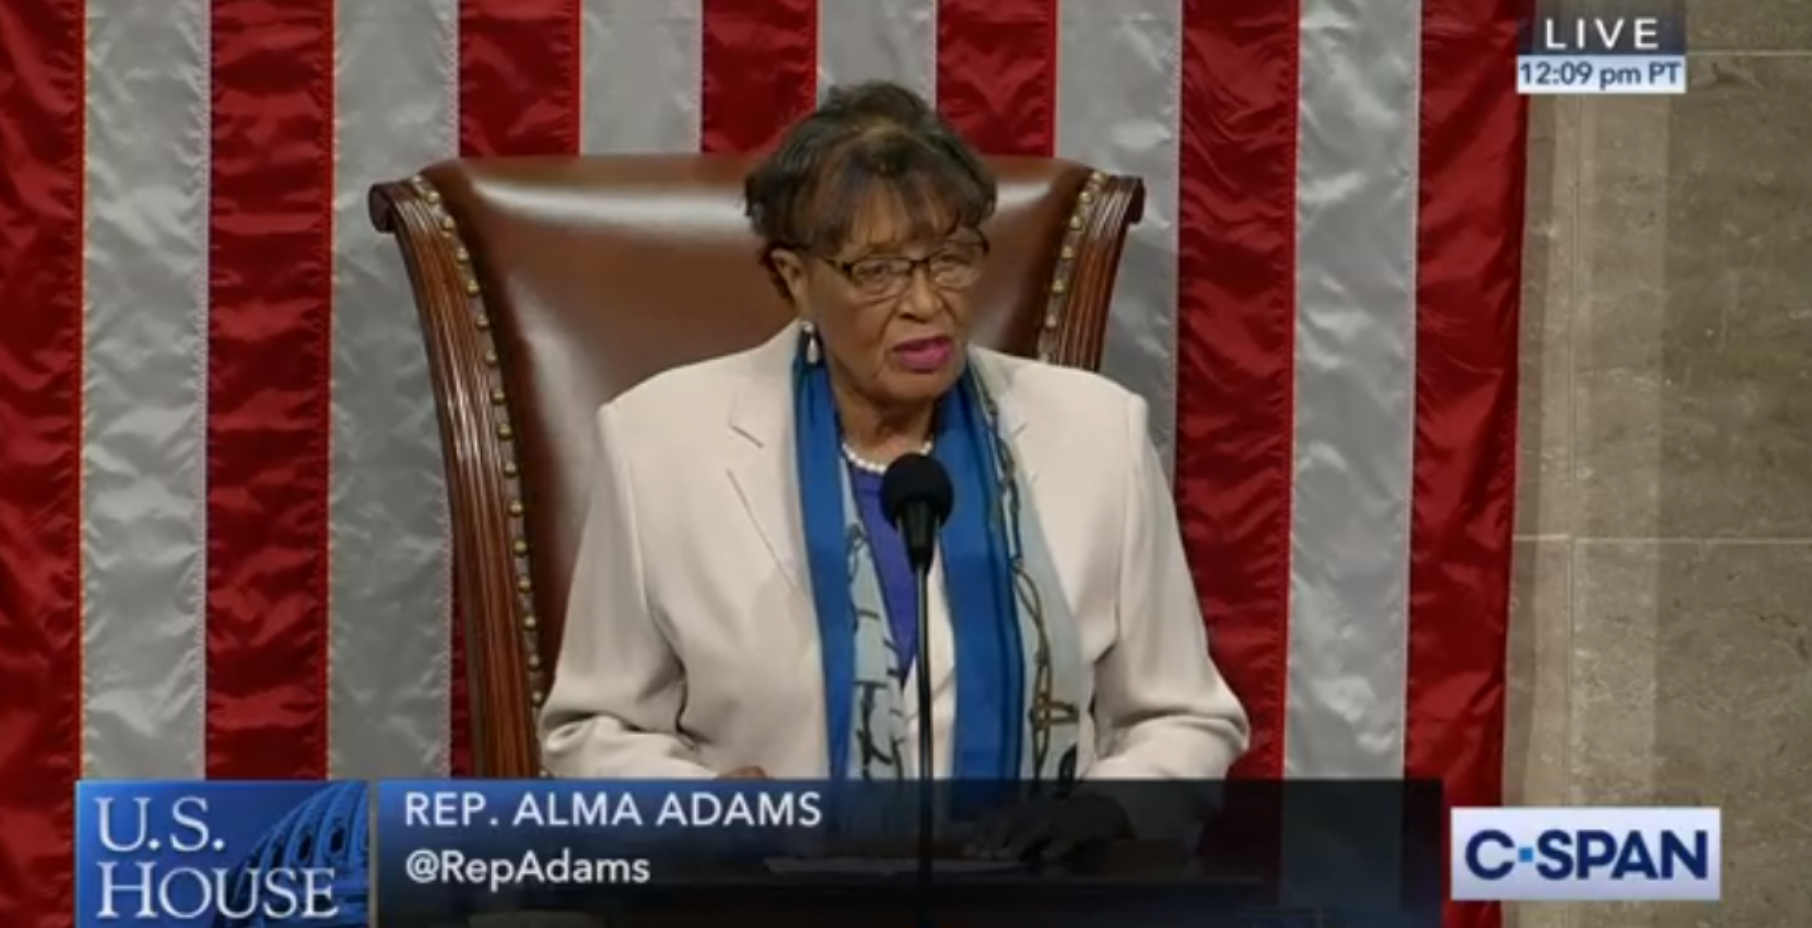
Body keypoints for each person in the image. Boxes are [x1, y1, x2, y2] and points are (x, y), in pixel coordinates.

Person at [538, 81, 1248, 858]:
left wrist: (1104, 812)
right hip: (770, 900)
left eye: (949, 258)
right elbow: (592, 732)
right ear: (794, 278)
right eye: (876, 270)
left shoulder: (1097, 432)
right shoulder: (659, 442)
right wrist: (707, 810)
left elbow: (1183, 718)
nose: (924, 303)